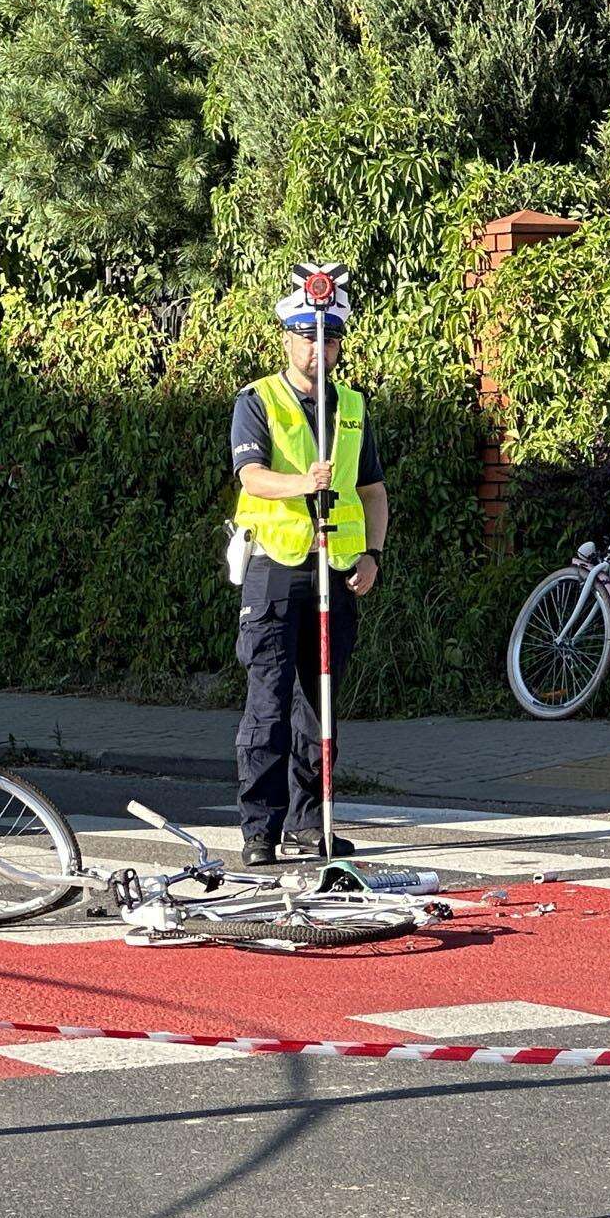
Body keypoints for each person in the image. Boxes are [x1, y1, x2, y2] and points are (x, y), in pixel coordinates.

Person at [228, 275, 388, 866]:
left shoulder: (352, 407)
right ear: (288, 339)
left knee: (319, 704)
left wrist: (372, 553)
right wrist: (303, 483)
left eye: (327, 340)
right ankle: (259, 830)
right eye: (306, 339)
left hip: (336, 568)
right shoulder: (258, 400)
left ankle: (310, 821)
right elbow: (251, 478)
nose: (317, 350)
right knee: (267, 703)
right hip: (276, 565)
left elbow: (372, 490)